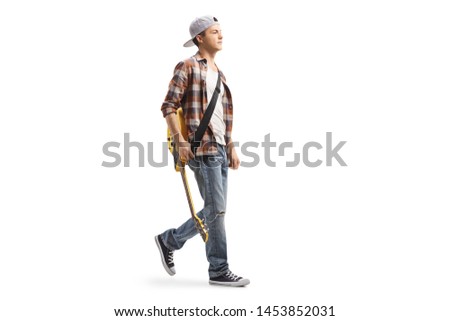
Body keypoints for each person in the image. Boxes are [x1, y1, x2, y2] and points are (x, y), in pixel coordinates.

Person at [155, 15, 249, 287]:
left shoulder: (220, 74)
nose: (221, 36)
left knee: (216, 210)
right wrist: (180, 140)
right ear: (200, 38)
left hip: (219, 148)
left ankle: (169, 240)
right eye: (214, 32)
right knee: (216, 209)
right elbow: (169, 106)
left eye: (221, 32)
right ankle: (219, 269)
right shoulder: (187, 66)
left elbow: (223, 115)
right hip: (201, 148)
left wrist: (230, 145)